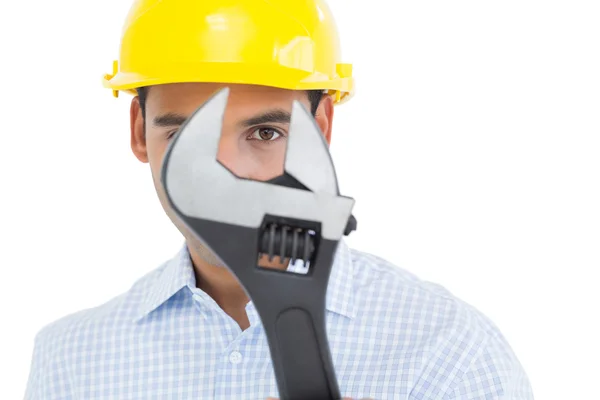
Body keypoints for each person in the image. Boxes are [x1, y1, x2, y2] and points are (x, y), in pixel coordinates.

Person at [24, 0, 534, 399]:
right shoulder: (70, 361)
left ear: (323, 126)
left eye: (266, 133)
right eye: (183, 133)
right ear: (139, 132)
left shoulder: (451, 354)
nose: (229, 172)